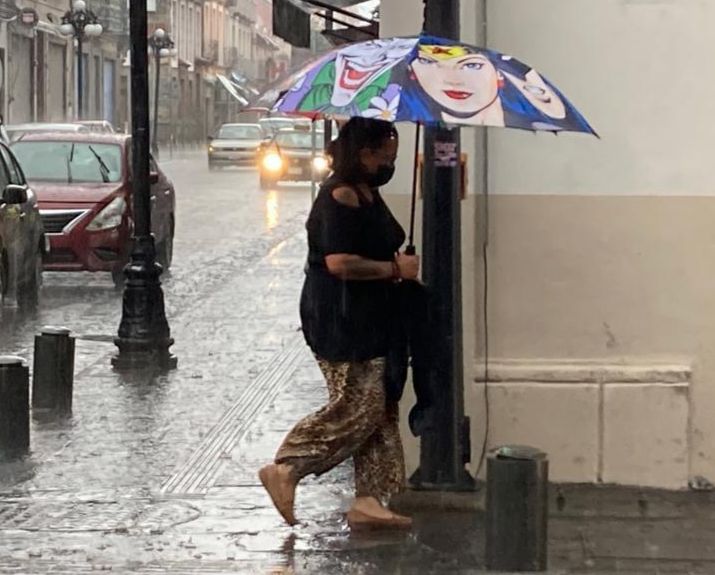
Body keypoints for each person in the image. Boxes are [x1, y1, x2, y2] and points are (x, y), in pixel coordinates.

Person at [259, 118, 419, 530]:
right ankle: (289, 465)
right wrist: (394, 269)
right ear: (362, 153)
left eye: (393, 156)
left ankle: (369, 498)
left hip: (372, 315)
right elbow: (339, 263)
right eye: (384, 154)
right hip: (341, 317)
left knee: (380, 405)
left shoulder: (367, 192)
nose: (388, 162)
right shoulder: (339, 196)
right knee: (358, 405)